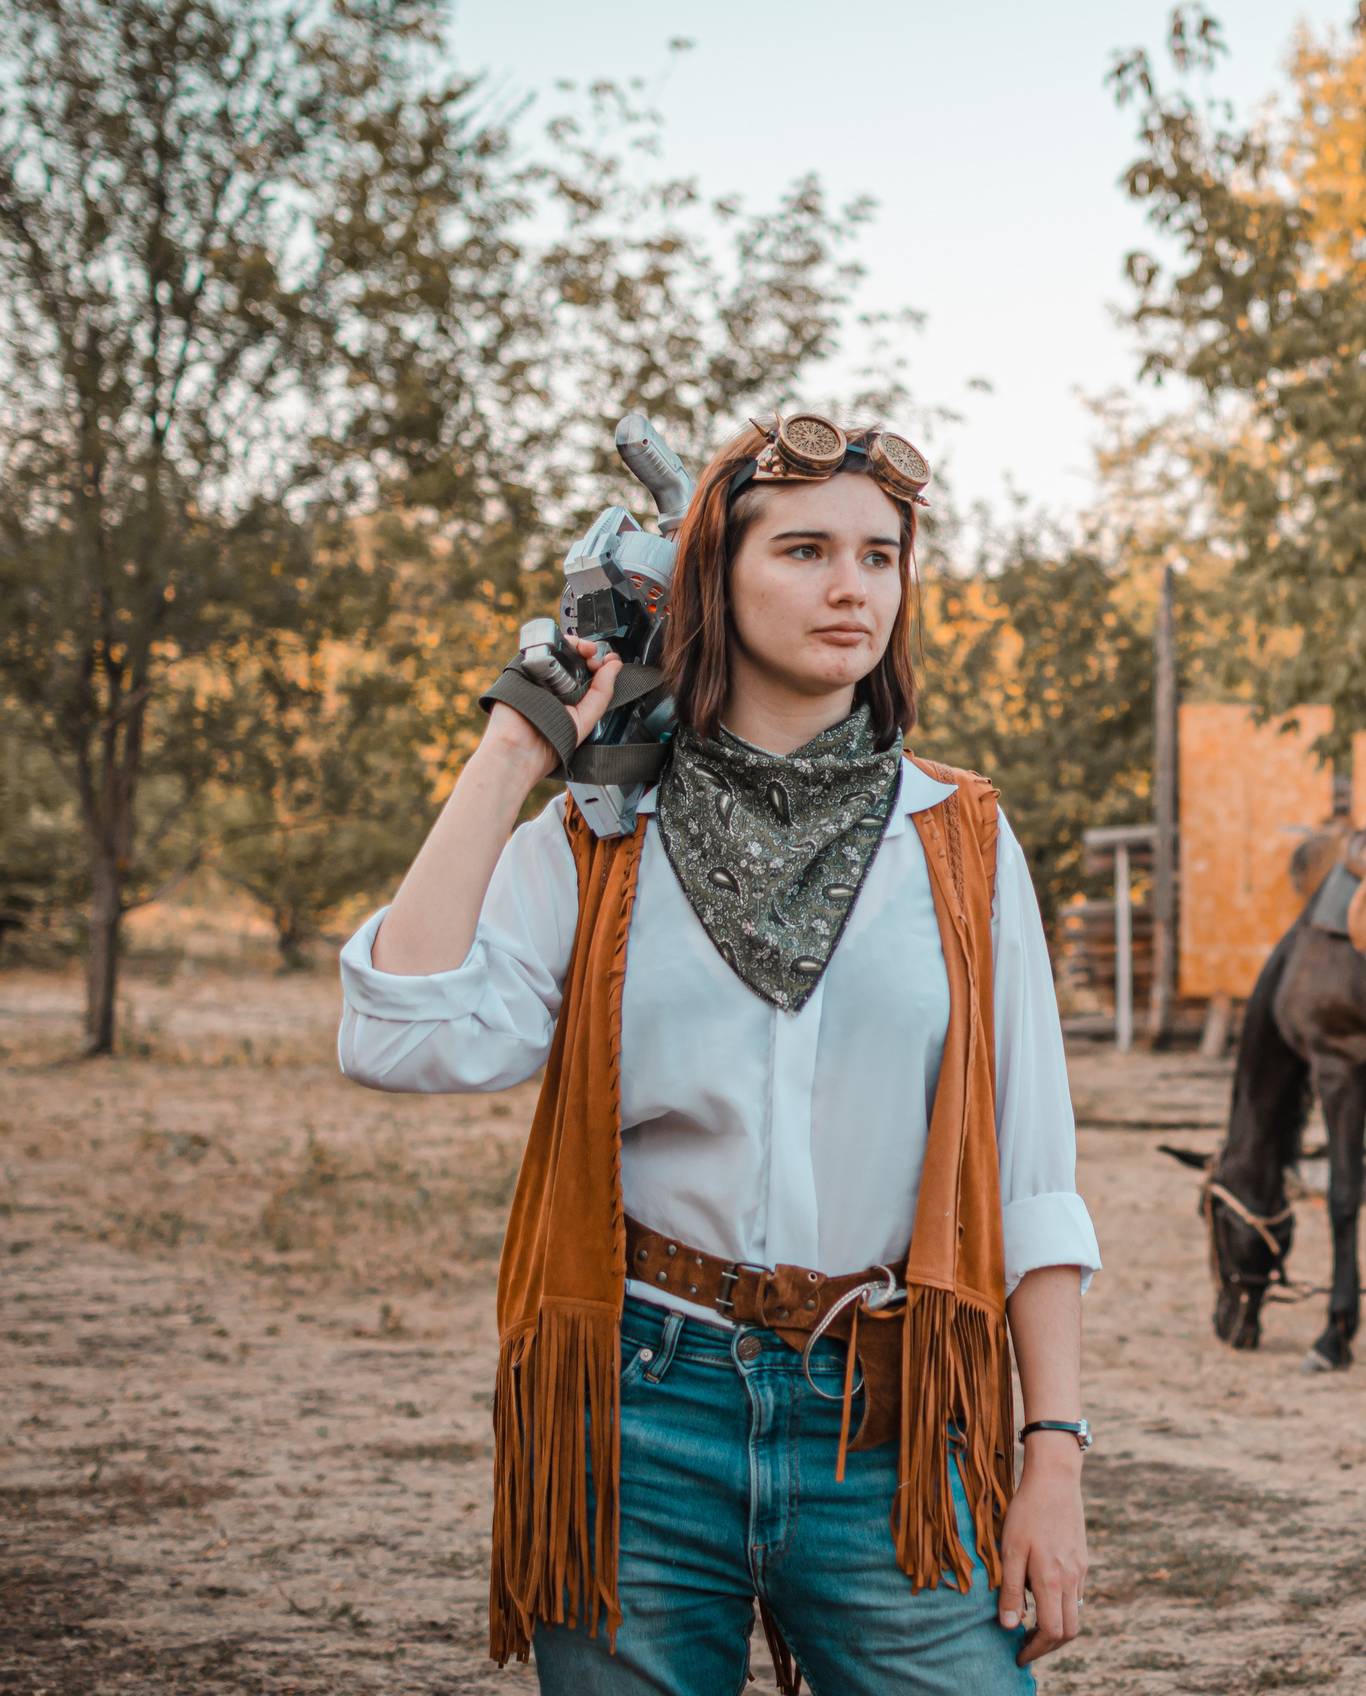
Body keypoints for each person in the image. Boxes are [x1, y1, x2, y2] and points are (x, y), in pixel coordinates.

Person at [338, 415, 1097, 1696]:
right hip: (639, 1410)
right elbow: (394, 1034)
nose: (851, 585)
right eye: (803, 549)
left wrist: (1056, 1455)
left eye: (879, 554)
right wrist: (515, 750)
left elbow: (1032, 1175)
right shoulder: (599, 834)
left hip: (890, 1414)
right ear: (711, 578)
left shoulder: (960, 840)